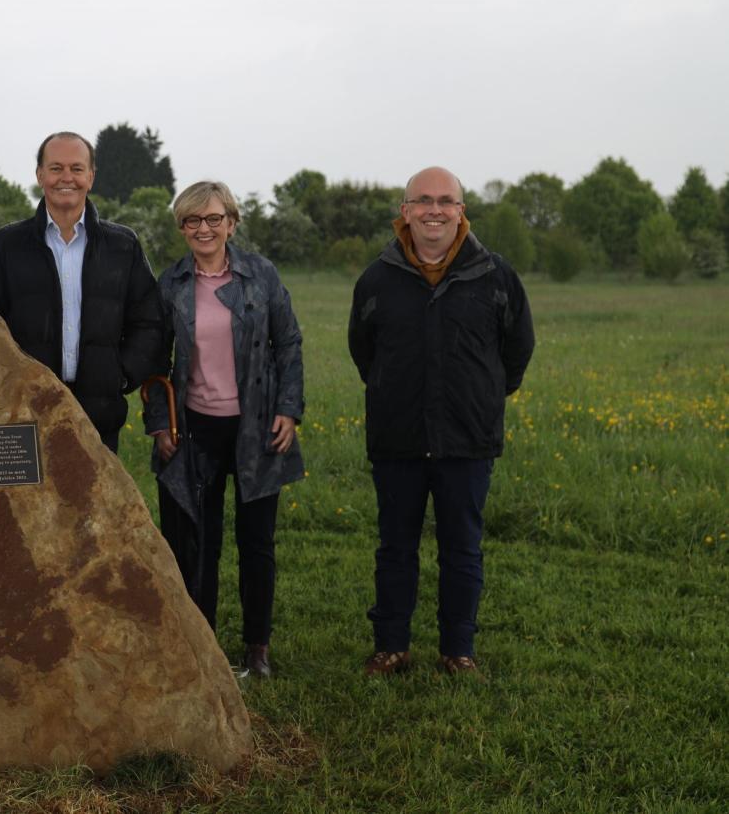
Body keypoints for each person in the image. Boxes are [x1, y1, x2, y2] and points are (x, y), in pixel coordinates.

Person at [348, 166, 533, 678]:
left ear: (461, 211)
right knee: (395, 548)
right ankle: (392, 646)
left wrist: (486, 396)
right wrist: (393, 393)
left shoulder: (496, 276)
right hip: (398, 438)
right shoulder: (376, 279)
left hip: (467, 441)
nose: (435, 210)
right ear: (404, 212)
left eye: (445, 201)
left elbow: (517, 350)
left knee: (462, 549)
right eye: (423, 200)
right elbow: (363, 351)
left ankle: (458, 650)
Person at [142, 180, 304, 679]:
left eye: (213, 219)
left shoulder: (261, 275)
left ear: (232, 222)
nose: (204, 229)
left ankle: (258, 651)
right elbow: (154, 361)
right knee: (198, 544)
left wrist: (289, 409)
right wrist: (159, 424)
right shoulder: (170, 285)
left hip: (257, 429)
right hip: (195, 431)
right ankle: (202, 648)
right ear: (182, 228)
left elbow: (289, 342)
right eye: (192, 220)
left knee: (257, 543)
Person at [0, 131, 162, 452]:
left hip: (98, 416)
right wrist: (9, 386)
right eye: (56, 168)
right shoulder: (7, 245)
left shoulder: (123, 246)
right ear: (40, 175)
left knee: (96, 503)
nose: (66, 178)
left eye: (76, 168)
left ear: (91, 176)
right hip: (25, 416)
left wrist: (121, 376)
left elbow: (149, 322)